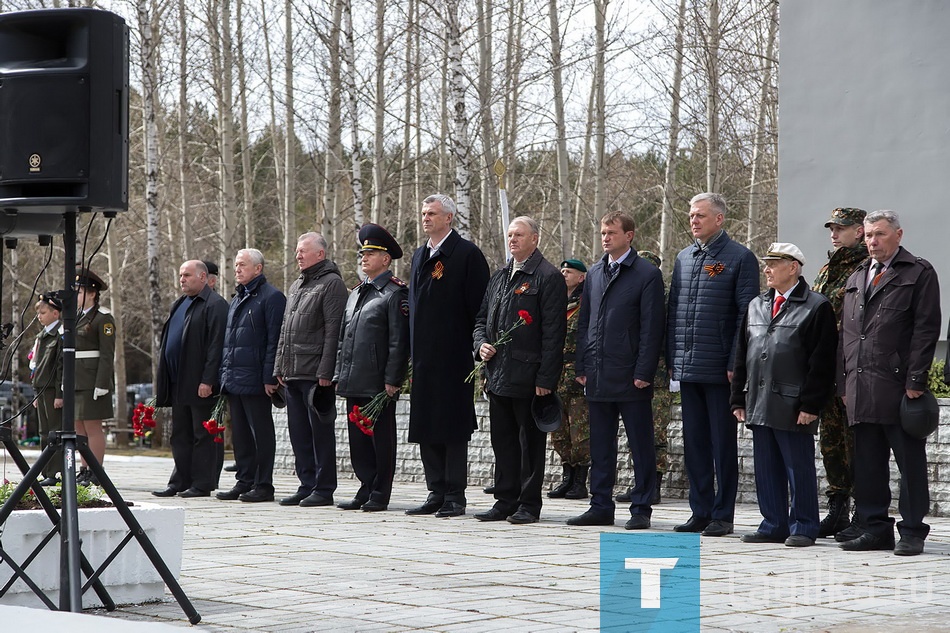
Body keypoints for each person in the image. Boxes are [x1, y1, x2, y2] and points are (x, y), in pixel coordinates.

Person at [839, 210, 941, 556]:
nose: (872, 241)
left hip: (899, 387)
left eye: (879, 234)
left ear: (898, 234)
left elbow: (927, 329)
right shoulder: (856, 276)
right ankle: (875, 528)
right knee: (867, 464)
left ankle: (912, 530)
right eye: (868, 235)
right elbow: (848, 335)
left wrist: (916, 379)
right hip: (861, 385)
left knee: (909, 464)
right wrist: (844, 381)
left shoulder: (918, 272)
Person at [732, 243, 838, 547]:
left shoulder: (816, 307)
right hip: (759, 400)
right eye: (766, 263)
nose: (767, 269)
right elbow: (743, 354)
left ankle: (804, 525)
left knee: (798, 467)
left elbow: (822, 362)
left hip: (793, 403)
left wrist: (811, 404)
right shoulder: (756, 305)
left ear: (793, 267)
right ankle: (773, 523)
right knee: (765, 467)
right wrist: (738, 398)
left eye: (774, 263)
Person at [667, 193, 759, 536]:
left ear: (719, 219)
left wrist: (737, 363)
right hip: (688, 367)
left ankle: (723, 514)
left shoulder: (739, 258)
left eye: (700, 215)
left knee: (722, 445)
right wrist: (673, 359)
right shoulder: (684, 258)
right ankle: (700, 511)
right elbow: (674, 310)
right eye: (691, 215)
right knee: (695, 445)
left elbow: (746, 314)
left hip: (722, 370)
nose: (693, 220)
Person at [567, 212, 665, 529]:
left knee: (640, 445)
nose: (605, 237)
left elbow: (652, 329)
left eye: (611, 232)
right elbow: (585, 324)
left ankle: (641, 508)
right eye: (602, 233)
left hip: (631, 375)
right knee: (600, 446)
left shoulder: (646, 274)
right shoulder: (595, 273)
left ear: (629, 236)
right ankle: (600, 505)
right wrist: (582, 365)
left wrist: (644, 371)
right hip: (597, 373)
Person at [473, 217, 567, 525]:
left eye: (519, 235)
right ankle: (505, 500)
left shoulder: (548, 276)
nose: (512, 239)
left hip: (529, 377)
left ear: (535, 239)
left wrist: (546, 378)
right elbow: (481, 320)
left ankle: (528, 503)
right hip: (497, 373)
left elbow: (554, 333)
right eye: (510, 234)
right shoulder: (500, 275)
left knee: (529, 444)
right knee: (503, 441)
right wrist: (481, 345)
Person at [406, 194, 490, 518]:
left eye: (432, 213)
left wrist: (473, 347)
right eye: (424, 212)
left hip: (454, 358)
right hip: (424, 359)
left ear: (449, 219)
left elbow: (478, 309)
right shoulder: (419, 255)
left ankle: (455, 494)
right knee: (427, 425)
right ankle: (435, 490)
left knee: (453, 428)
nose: (426, 217)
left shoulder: (466, 255)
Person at [334, 224, 410, 512]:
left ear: (386, 259)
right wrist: (339, 374)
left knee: (381, 439)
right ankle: (365, 485)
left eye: (371, 253)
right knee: (358, 439)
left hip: (378, 381)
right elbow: (344, 338)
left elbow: (398, 341)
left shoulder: (394, 293)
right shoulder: (356, 293)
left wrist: (392, 379)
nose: (364, 257)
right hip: (355, 377)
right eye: (363, 252)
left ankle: (381, 491)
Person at [275, 233, 347, 507]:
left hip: (316, 374)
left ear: (320, 254)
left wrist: (326, 372)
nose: (298, 255)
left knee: (320, 433)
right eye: (296, 251)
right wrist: (278, 366)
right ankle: (306, 484)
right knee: (299, 434)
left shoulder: (332, 285)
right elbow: (285, 329)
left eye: (303, 251)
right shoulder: (296, 286)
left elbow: (333, 332)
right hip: (293, 372)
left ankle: (324, 487)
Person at [811, 207, 867, 537]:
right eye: (832, 227)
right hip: (824, 366)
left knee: (855, 441)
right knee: (829, 441)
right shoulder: (828, 267)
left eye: (841, 227)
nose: (834, 232)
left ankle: (864, 509)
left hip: (850, 365)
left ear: (859, 231)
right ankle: (837, 508)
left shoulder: (864, 267)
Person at [152, 261, 229, 498]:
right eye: (180, 275)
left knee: (203, 433)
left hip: (200, 383)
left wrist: (208, 380)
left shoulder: (215, 305)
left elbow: (217, 346)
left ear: (204, 277)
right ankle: (179, 481)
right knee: (180, 434)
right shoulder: (181, 303)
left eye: (187, 275)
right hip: (178, 381)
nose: (182, 279)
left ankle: (203, 483)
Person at [217, 249, 286, 503]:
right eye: (235, 265)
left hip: (257, 379)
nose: (237, 269)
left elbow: (274, 340)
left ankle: (263, 484)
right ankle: (244, 481)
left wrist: (270, 375)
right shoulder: (237, 298)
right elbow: (230, 342)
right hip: (235, 378)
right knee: (241, 435)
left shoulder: (272, 297)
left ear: (258, 269)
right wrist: (224, 374)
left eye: (242, 265)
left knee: (261, 433)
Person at [617, 250, 670, 505]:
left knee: (655, 432)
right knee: (636, 434)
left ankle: (653, 484)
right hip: (634, 369)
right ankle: (640, 483)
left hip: (656, 373)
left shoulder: (664, 296)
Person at [548, 258, 590, 500]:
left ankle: (580, 481)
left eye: (569, 271)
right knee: (559, 431)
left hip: (577, 376)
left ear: (581, 277)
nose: (564, 274)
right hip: (556, 375)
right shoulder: (554, 302)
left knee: (580, 431)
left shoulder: (586, 303)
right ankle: (567, 477)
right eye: (562, 270)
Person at [73, 267, 116, 485]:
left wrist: (102, 383)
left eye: (79, 291)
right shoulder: (75, 318)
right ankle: (84, 468)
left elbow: (107, 355)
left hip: (93, 381)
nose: (75, 295)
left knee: (92, 427)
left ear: (92, 293)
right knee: (78, 426)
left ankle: (96, 470)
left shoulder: (103, 318)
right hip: (77, 379)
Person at [31, 291, 64, 486]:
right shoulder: (42, 336)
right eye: (38, 313)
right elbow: (36, 365)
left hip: (52, 390)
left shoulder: (59, 335)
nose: (39, 316)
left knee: (54, 431)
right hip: (41, 389)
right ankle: (45, 471)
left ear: (55, 313)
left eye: (43, 312)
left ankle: (54, 472)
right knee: (43, 432)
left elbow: (61, 367)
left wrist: (59, 394)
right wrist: (35, 392)